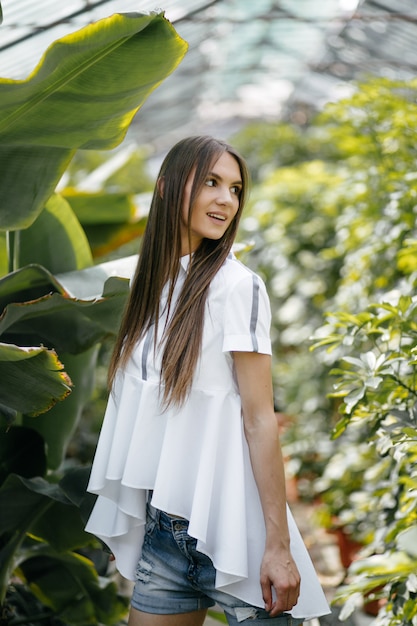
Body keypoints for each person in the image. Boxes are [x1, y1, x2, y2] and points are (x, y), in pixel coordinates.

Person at [85, 136, 330, 626]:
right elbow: (139, 410)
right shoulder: (148, 286)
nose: (226, 200)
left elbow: (260, 420)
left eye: (236, 189)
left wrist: (278, 547)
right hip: (164, 532)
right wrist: (128, 522)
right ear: (166, 188)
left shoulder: (239, 287)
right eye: (212, 183)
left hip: (235, 531)